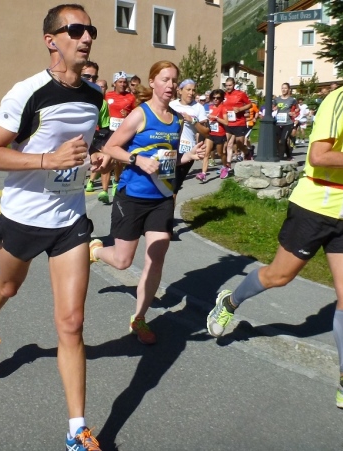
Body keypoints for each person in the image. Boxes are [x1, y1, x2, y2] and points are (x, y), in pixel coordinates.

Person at [206, 42, 343, 410]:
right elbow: (318, 155)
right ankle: (229, 301)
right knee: (279, 276)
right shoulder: (338, 102)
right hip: (315, 208)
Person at [0, 5, 106, 450]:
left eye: (90, 30)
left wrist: (96, 157)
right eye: (75, 29)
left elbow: (86, 145)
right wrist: (48, 159)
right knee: (7, 288)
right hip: (23, 217)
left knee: (71, 322)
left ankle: (76, 430)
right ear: (51, 40)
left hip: (69, 220)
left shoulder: (94, 96)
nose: (85, 37)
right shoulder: (26, 93)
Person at [89, 61, 205, 345]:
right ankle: (95, 250)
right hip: (132, 196)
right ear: (152, 82)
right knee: (122, 261)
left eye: (174, 80)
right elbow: (111, 146)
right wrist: (136, 159)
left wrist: (188, 157)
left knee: (156, 257)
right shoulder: (140, 115)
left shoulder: (177, 120)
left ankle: (139, 318)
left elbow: (168, 159)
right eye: (165, 79)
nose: (170, 85)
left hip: (161, 198)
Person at [96, 71, 136, 203]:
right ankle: (104, 191)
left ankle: (116, 180)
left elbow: (137, 114)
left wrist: (128, 114)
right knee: (106, 158)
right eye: (120, 82)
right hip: (108, 131)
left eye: (125, 82)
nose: (123, 84)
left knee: (118, 161)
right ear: (114, 83)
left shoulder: (131, 97)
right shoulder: (107, 96)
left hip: (123, 132)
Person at [169, 79, 209, 192]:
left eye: (193, 90)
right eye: (188, 90)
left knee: (174, 187)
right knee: (165, 184)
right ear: (180, 91)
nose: (191, 93)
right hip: (171, 148)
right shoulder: (171, 105)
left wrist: (193, 121)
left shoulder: (198, 108)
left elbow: (206, 132)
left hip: (187, 150)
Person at [83, 61, 110, 194]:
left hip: (90, 143)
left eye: (94, 78)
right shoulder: (63, 96)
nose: (91, 81)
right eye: (87, 77)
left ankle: (104, 189)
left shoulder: (100, 101)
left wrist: (94, 149)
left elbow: (104, 127)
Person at [196, 89, 228, 181]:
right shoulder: (209, 107)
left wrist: (216, 118)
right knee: (206, 153)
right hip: (210, 133)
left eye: (218, 98)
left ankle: (225, 167)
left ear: (221, 98)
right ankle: (203, 174)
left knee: (220, 153)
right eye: (213, 98)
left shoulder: (223, 108)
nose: (215, 99)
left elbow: (226, 122)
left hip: (220, 134)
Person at [222, 77, 251, 177]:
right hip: (228, 123)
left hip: (239, 123)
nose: (228, 87)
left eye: (230, 85)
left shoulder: (240, 94)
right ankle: (227, 166)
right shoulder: (224, 95)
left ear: (234, 85)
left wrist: (240, 109)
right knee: (227, 144)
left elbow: (249, 104)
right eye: (226, 85)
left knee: (239, 144)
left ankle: (247, 152)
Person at [274, 82, 298, 161]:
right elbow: (272, 108)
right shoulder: (277, 99)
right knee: (278, 141)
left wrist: (293, 113)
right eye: (282, 88)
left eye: (285, 88)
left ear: (288, 89)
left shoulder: (292, 100)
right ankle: (289, 155)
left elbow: (297, 109)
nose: (283, 90)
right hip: (278, 122)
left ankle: (280, 157)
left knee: (283, 140)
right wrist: (273, 109)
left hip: (288, 123)